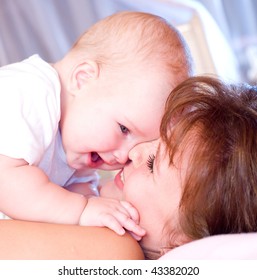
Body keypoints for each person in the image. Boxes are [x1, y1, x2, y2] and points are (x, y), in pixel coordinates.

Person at [1, 75, 257, 260]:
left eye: (152, 163)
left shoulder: (117, 250)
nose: (132, 152)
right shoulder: (78, 191)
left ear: (183, 241)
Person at [0, 11, 192, 239]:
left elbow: (80, 189)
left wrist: (96, 206)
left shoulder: (78, 143)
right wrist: (81, 210)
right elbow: (6, 180)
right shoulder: (28, 93)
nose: (123, 157)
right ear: (83, 79)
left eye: (133, 151)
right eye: (124, 129)